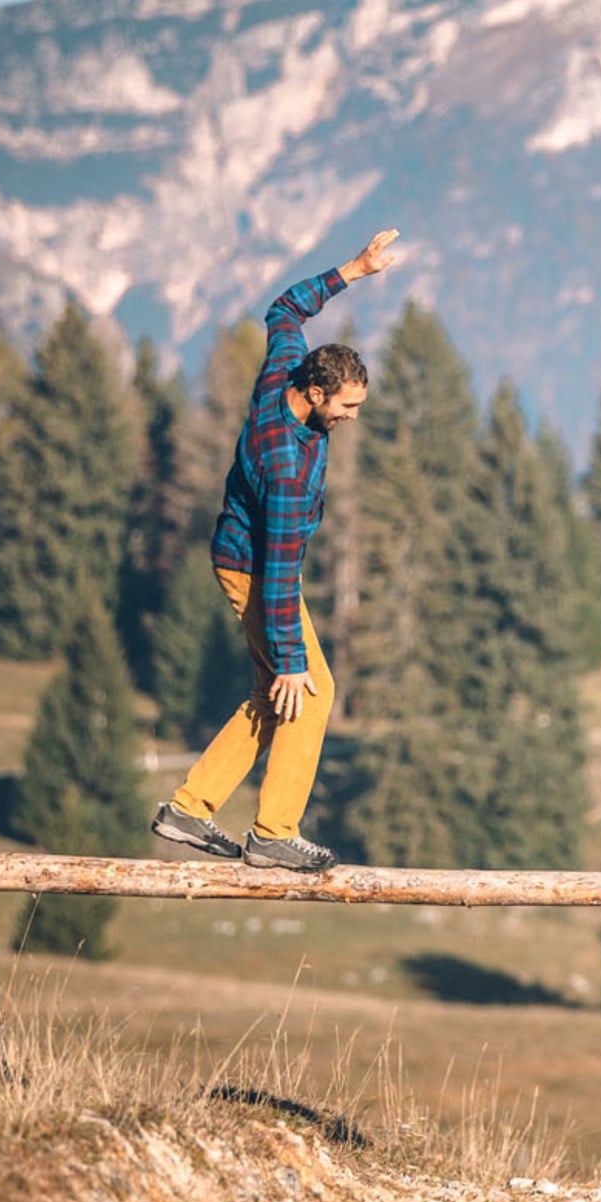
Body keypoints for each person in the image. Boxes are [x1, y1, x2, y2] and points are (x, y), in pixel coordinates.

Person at [150, 229, 401, 872]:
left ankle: (191, 808)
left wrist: (354, 270)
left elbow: (284, 309)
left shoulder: (284, 373)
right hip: (254, 568)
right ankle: (273, 833)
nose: (352, 416)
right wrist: (292, 659)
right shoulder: (285, 467)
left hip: (244, 556)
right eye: (347, 407)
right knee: (310, 693)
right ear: (316, 394)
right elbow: (281, 575)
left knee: (273, 701)